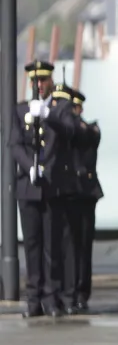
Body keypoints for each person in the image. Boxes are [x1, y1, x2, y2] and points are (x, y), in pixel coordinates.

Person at [8, 60, 78, 318]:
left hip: (52, 186)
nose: (39, 85)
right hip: (29, 186)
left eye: (43, 80)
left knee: (52, 246)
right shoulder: (20, 110)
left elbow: (71, 132)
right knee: (32, 245)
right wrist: (29, 167)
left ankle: (51, 297)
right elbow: (15, 144)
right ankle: (33, 298)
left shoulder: (61, 110)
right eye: (35, 81)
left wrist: (48, 115)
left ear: (50, 82)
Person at [64, 88, 103, 313]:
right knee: (67, 246)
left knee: (83, 247)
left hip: (85, 193)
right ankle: (68, 291)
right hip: (67, 193)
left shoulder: (89, 129)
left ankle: (81, 292)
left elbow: (86, 135)